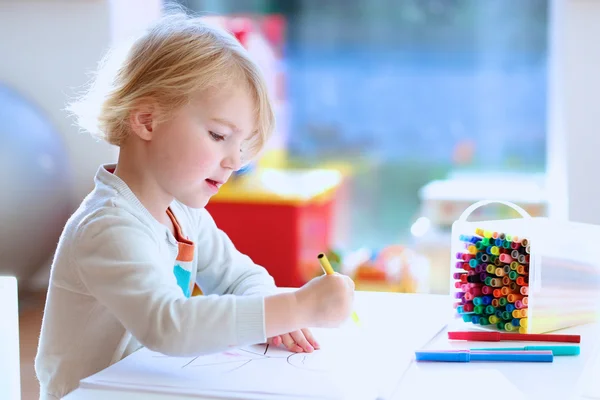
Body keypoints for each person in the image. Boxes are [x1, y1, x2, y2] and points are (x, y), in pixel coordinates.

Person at [35, 10, 355, 400]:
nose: (235, 161)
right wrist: (297, 306)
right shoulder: (108, 227)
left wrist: (275, 313)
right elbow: (169, 326)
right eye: (219, 135)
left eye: (241, 145)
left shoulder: (182, 214)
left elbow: (240, 278)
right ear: (147, 121)